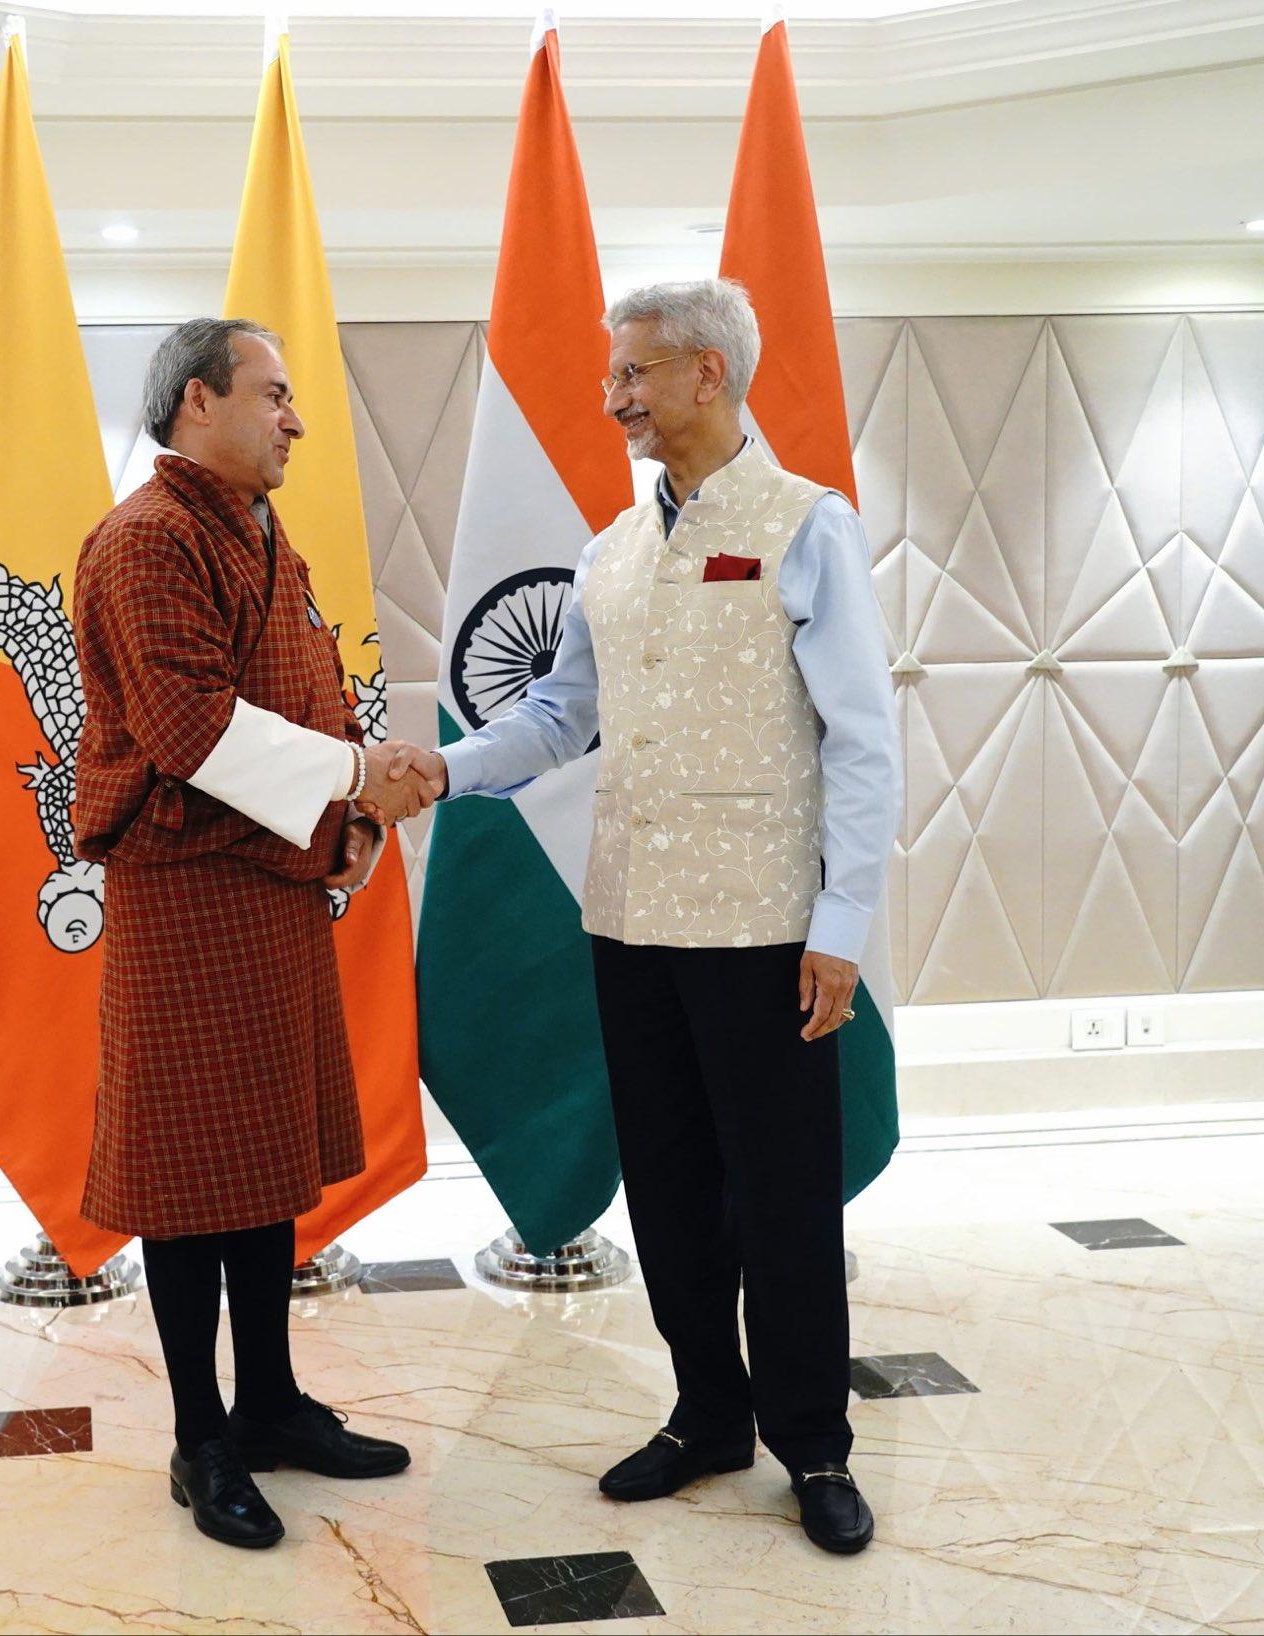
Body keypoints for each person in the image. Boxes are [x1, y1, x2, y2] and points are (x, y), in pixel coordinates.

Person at [390, 279, 898, 1555]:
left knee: (782, 1194)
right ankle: (704, 1414)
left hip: (766, 928)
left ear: (708, 376)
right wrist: (442, 768)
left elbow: (862, 739)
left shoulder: (804, 527)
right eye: (613, 375)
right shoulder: (607, 550)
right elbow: (560, 715)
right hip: (627, 923)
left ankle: (814, 1446)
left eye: (634, 374)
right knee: (668, 1187)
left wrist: (842, 920)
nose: (613, 396)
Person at [69, 317, 429, 1550]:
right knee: (185, 1183)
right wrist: (355, 781)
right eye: (273, 394)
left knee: (262, 1165)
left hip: (270, 882)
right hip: (185, 896)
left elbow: (306, 693)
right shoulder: (144, 540)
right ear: (195, 403)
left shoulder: (254, 529)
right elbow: (191, 729)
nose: (295, 419)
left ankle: (270, 1402)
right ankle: (200, 1434)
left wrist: (350, 819)